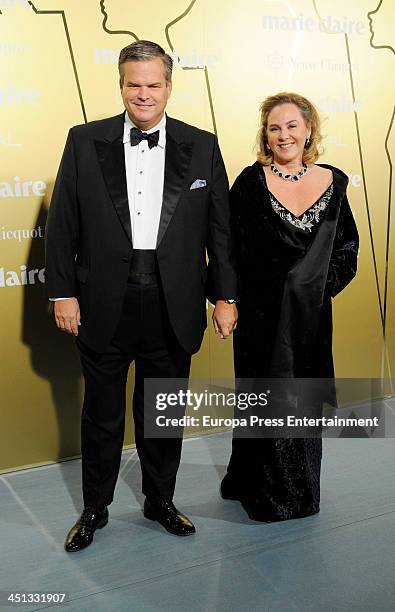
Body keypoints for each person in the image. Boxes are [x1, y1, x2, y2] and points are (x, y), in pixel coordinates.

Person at [45, 40, 237, 551]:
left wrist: (226, 296)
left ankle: (160, 501)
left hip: (174, 303)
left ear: (169, 87)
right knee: (102, 415)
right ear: (121, 85)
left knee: (163, 412)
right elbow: (62, 223)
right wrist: (62, 291)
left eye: (154, 85)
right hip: (103, 300)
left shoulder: (202, 144)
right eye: (135, 84)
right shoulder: (85, 141)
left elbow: (219, 232)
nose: (144, 94)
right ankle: (94, 509)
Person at [220, 92, 359, 522]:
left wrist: (315, 289)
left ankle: (300, 492)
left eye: (292, 126)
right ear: (266, 134)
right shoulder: (249, 182)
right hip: (259, 318)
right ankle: (258, 491)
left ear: (309, 129)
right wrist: (227, 300)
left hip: (310, 318)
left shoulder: (334, 184)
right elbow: (229, 249)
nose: (284, 135)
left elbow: (347, 251)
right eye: (275, 127)